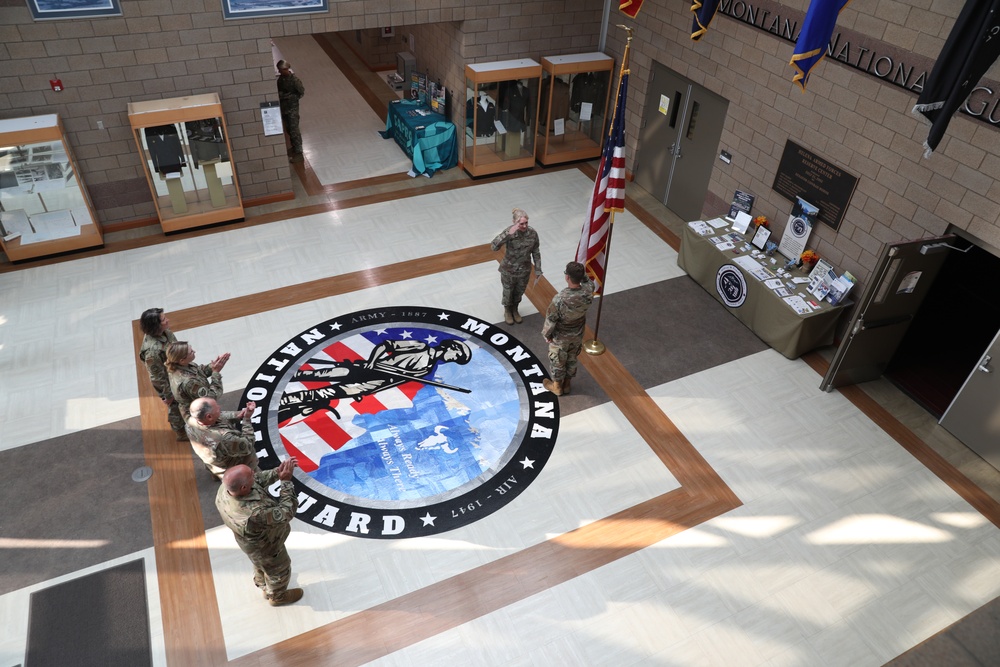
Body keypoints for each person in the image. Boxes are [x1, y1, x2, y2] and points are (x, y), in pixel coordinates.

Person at [278, 338, 472, 422]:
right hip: (365, 370)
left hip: (370, 384)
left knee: (325, 393)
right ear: (450, 347)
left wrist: (370, 390)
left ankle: (284, 401)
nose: (452, 359)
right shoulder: (419, 346)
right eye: (455, 355)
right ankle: (281, 379)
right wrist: (372, 362)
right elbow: (386, 345)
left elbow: (396, 382)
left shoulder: (428, 368)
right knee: (313, 375)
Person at [216, 458, 302, 606]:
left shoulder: (225, 489)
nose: (255, 474)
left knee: (260, 564)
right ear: (243, 488)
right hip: (266, 547)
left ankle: (262, 584)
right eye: (251, 475)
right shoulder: (254, 513)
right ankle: (277, 596)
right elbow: (286, 512)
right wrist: (286, 482)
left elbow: (256, 481)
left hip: (250, 545)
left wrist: (276, 473)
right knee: (279, 569)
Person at [541, 261, 595, 396]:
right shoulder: (589, 291)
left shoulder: (560, 298)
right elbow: (588, 281)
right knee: (572, 357)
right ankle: (567, 384)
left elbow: (551, 319)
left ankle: (557, 387)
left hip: (561, 336)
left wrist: (547, 335)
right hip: (577, 333)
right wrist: (582, 274)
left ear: (567, 277)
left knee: (558, 359)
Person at [138, 308, 188, 441]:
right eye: (164, 319)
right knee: (175, 406)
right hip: (169, 381)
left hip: (176, 371)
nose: (168, 320)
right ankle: (181, 432)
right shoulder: (152, 352)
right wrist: (167, 394)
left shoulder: (164, 332)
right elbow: (157, 376)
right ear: (156, 326)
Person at [186, 397, 259, 480]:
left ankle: (216, 476)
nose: (219, 407)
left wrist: (238, 415)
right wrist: (247, 419)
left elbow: (219, 416)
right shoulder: (224, 438)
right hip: (235, 466)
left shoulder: (191, 421)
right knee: (255, 479)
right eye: (216, 407)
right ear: (209, 416)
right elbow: (248, 444)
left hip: (213, 461)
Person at [491, 208, 542, 325]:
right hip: (509, 270)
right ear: (514, 222)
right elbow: (494, 247)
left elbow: (536, 251)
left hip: (524, 269)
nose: (524, 226)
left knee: (519, 291)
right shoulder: (509, 232)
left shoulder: (532, 233)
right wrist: (507, 235)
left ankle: (515, 309)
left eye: (526, 223)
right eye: (521, 223)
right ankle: (507, 310)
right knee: (508, 292)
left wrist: (538, 269)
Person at [165, 341, 230, 421]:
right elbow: (211, 397)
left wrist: (212, 366)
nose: (194, 351)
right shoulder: (189, 382)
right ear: (182, 360)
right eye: (191, 352)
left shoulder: (179, 365)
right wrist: (215, 373)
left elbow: (199, 371)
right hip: (200, 416)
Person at [276, 59, 305, 162]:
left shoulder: (295, 81)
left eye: (280, 70)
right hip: (285, 108)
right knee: (288, 129)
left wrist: (286, 96)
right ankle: (294, 146)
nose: (279, 72)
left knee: (294, 130)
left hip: (292, 109)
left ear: (286, 69)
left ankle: (299, 152)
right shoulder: (281, 80)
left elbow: (301, 93)